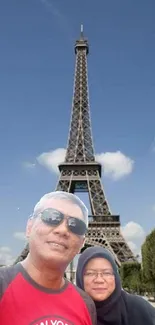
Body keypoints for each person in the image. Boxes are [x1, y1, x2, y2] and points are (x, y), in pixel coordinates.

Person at [0, 191, 96, 325]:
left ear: (82, 243)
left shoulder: (86, 304)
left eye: (76, 225)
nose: (62, 230)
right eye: (51, 218)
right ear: (29, 227)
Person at [76, 246, 155, 325]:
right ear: (80, 277)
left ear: (116, 277)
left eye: (107, 273)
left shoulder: (139, 307)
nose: (99, 280)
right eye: (90, 273)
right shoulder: (69, 313)